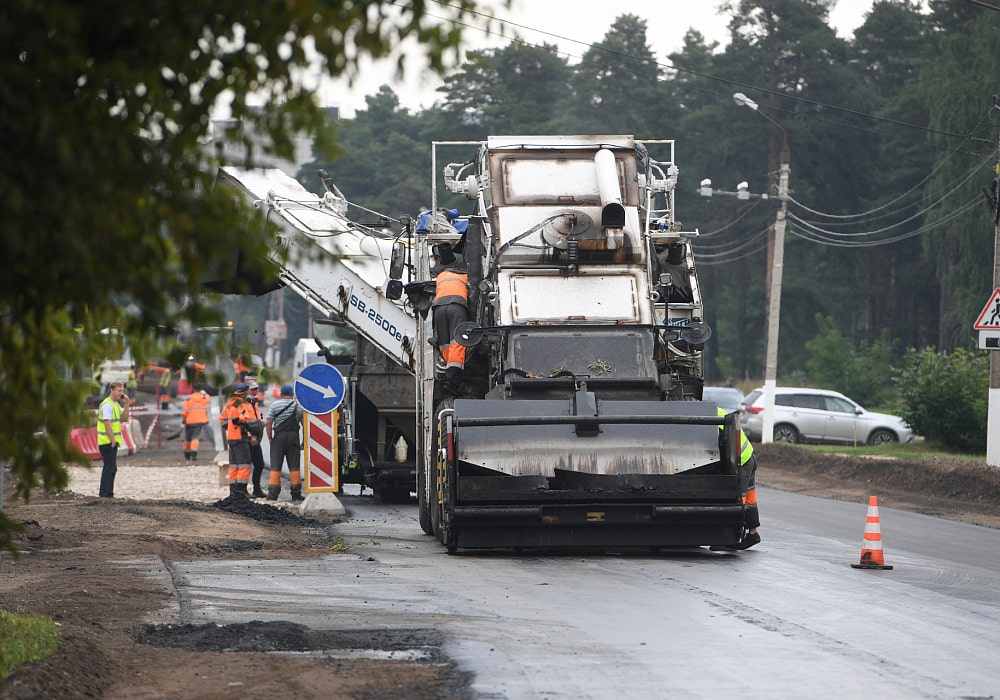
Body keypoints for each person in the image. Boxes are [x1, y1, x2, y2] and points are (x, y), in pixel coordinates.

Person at [713, 407, 760, 550]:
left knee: (738, 499)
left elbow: (717, 446)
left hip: (742, 463)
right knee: (750, 499)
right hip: (749, 457)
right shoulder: (717, 410)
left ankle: (732, 539)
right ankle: (753, 534)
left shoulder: (710, 421)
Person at [431, 243, 469, 395]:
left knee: (445, 343)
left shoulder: (440, 276)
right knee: (457, 341)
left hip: (439, 308)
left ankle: (448, 372)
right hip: (457, 306)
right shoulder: (466, 276)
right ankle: (453, 380)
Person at [265, 384, 305, 501]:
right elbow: (304, 425)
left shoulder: (275, 405)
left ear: (281, 394)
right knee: (294, 466)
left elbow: (268, 423)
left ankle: (273, 494)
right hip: (293, 437)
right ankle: (296, 493)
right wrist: (303, 440)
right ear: (292, 394)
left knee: (276, 466)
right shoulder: (298, 407)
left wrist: (270, 437)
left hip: (279, 437)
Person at [218, 383, 256, 498]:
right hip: (240, 438)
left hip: (231, 438)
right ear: (245, 393)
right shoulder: (240, 404)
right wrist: (250, 433)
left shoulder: (230, 403)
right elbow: (242, 420)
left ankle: (233, 491)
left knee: (234, 465)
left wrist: (229, 428)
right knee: (244, 464)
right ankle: (241, 491)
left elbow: (222, 419)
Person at [96, 381, 130, 498]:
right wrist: (112, 440)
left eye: (122, 390)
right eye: (119, 390)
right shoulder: (107, 405)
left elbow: (125, 418)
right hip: (107, 442)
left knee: (112, 468)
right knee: (109, 468)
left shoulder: (115, 404)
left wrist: (126, 404)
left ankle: (108, 493)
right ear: (112, 390)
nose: (122, 393)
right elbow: (107, 423)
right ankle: (105, 494)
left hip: (111, 442)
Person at [246, 380, 267, 498]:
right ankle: (242, 490)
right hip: (249, 440)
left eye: (256, 389)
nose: (255, 391)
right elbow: (242, 423)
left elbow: (255, 419)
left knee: (259, 464)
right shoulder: (244, 403)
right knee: (246, 465)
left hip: (256, 439)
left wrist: (261, 423)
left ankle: (257, 489)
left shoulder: (255, 403)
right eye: (252, 389)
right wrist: (249, 436)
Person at [181, 385, 211, 461]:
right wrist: (204, 393)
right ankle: (194, 452)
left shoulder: (188, 399)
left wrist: (184, 420)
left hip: (189, 421)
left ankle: (187, 454)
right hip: (200, 421)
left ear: (193, 389)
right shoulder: (204, 398)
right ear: (200, 389)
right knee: (195, 437)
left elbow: (185, 412)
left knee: (188, 438)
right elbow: (208, 397)